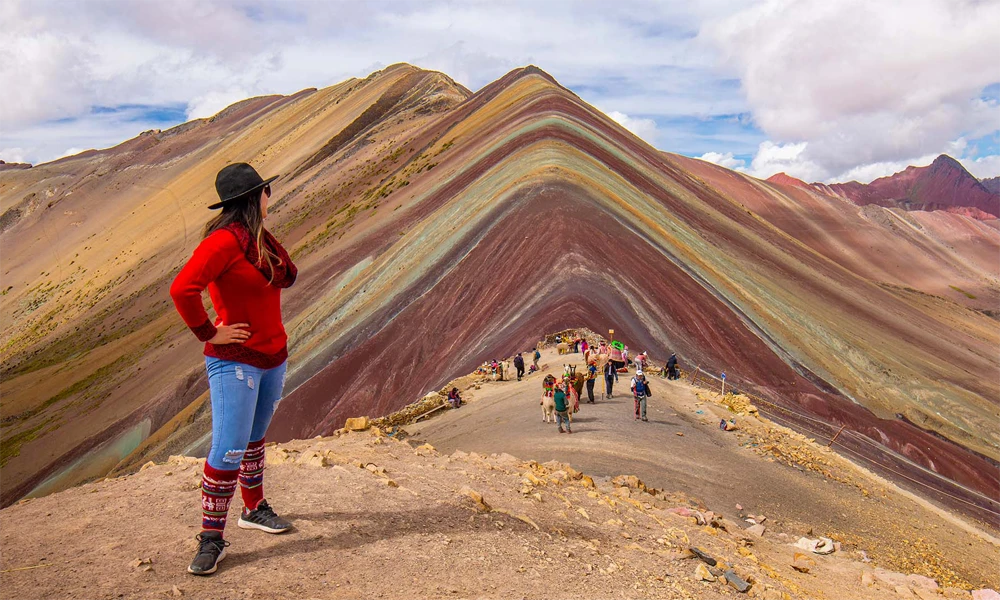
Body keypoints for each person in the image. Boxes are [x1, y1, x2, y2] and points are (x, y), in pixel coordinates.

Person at [170, 163, 296, 576]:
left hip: (272, 356)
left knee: (255, 438)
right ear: (255, 197)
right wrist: (210, 331)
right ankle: (211, 537)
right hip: (235, 360)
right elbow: (182, 288)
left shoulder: (259, 240)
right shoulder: (224, 242)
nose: (268, 197)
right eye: (266, 191)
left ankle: (254, 508)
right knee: (228, 446)